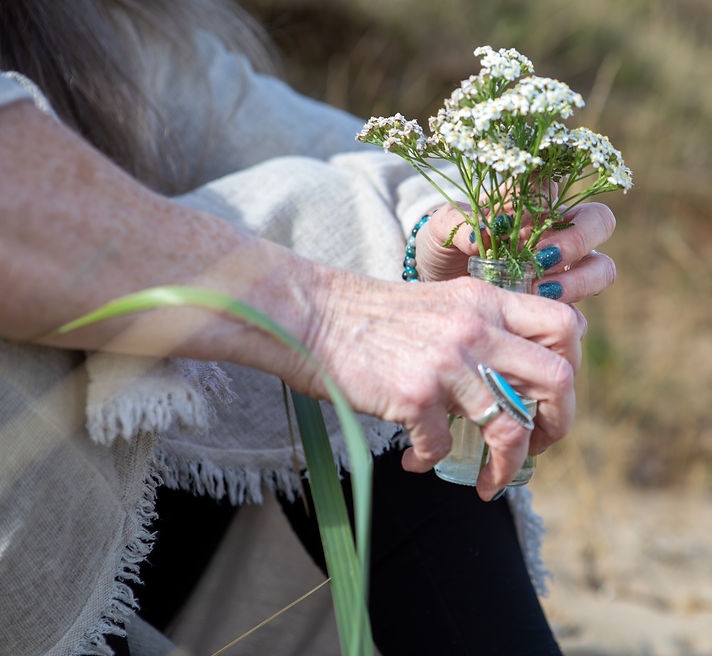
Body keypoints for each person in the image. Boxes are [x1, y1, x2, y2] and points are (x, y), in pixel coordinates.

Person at [0, 1, 617, 655]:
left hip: (105, 544)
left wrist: (454, 226)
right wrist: (327, 313)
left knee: (366, 258)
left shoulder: (64, 25)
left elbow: (257, 122)